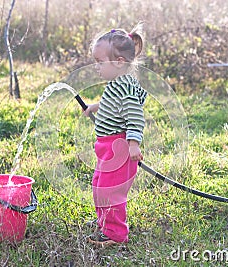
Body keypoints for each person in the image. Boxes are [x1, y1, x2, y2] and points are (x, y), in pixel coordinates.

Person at [83, 22, 147, 247]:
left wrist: (133, 144)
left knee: (111, 192)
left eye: (100, 62)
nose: (97, 67)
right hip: (106, 148)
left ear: (119, 62)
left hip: (119, 149)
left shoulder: (126, 86)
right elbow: (113, 104)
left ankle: (116, 234)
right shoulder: (116, 83)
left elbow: (135, 116)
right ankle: (105, 224)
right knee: (99, 186)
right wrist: (95, 106)